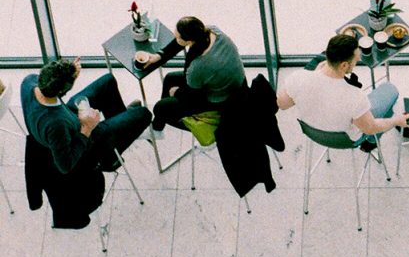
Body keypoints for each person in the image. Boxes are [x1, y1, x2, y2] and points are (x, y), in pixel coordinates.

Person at [276, 33, 409, 153]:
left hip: (312, 132)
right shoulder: (356, 97)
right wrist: (396, 121)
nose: (358, 61)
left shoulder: (298, 78)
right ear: (344, 65)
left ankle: (371, 140)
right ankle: (370, 142)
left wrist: (314, 75)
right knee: (390, 89)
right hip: (346, 141)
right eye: (356, 59)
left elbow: (282, 104)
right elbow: (370, 128)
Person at [20, 58, 151, 174]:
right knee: (144, 114)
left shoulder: (29, 81)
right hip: (84, 142)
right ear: (60, 90)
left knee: (108, 81)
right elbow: (65, 165)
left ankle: (119, 128)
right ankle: (108, 158)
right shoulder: (56, 125)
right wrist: (87, 129)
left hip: (69, 116)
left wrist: (71, 77)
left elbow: (51, 94)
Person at [144, 16, 246, 137]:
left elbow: (193, 96)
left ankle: (170, 121)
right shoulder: (212, 31)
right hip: (235, 84)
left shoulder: (198, 66)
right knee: (170, 78)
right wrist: (160, 55)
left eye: (177, 36)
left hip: (222, 100)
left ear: (189, 41)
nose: (175, 38)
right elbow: (180, 43)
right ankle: (159, 124)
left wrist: (176, 93)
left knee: (160, 107)